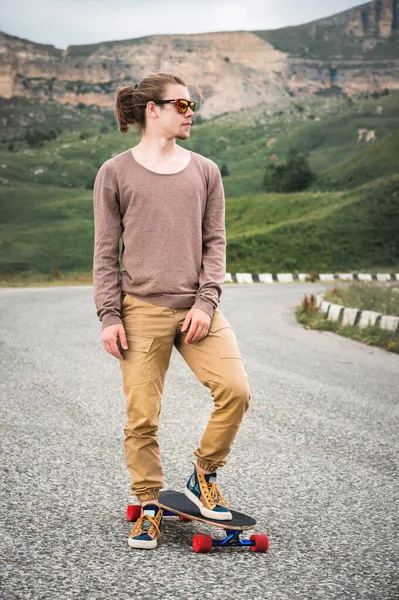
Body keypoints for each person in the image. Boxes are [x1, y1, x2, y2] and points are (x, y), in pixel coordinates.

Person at [92, 72, 251, 550]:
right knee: (142, 416)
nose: (189, 113)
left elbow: (214, 243)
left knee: (236, 391)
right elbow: (104, 252)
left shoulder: (206, 170)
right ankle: (146, 505)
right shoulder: (115, 173)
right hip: (140, 308)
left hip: (198, 311)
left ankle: (202, 476)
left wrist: (206, 301)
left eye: (191, 106)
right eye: (180, 105)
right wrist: (109, 315)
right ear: (151, 110)